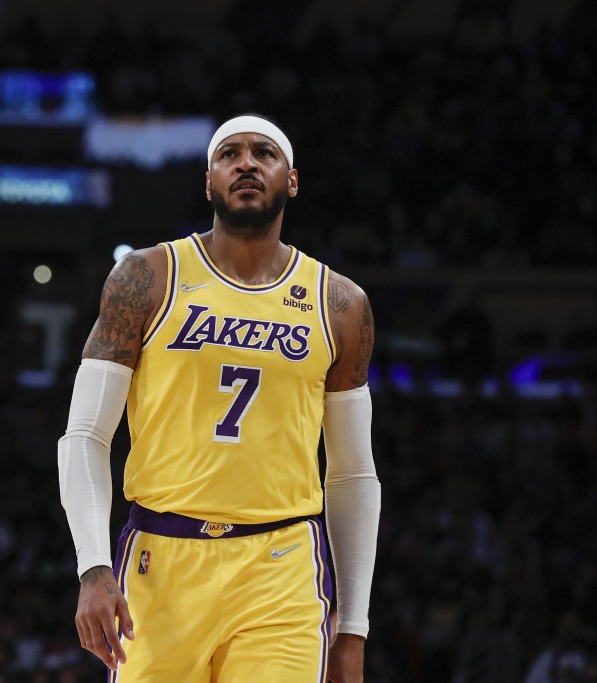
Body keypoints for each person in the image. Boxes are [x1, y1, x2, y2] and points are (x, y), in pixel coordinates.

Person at [58, 114, 381, 682]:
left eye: (264, 153)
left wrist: (352, 628)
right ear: (209, 182)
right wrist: (92, 567)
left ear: (293, 180)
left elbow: (353, 473)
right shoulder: (146, 277)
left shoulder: (340, 304)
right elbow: (85, 435)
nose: (247, 163)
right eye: (229, 154)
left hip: (280, 567)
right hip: (162, 559)